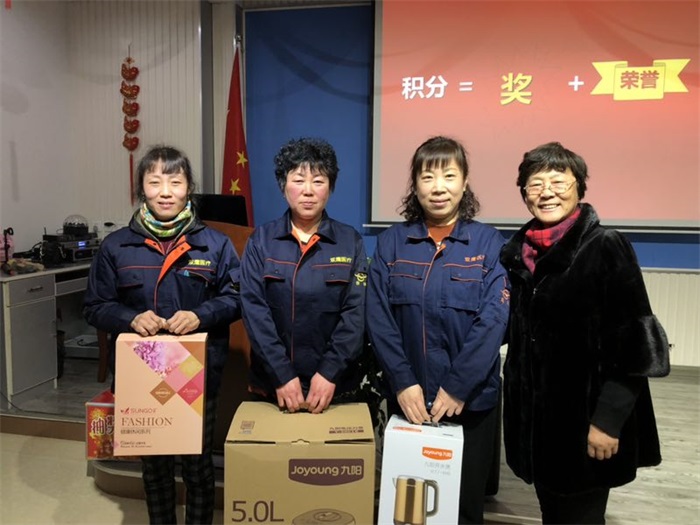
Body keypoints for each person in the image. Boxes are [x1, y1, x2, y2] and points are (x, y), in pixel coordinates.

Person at [499, 141, 670, 524]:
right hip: (538, 430)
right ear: (524, 193)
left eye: (558, 182)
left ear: (579, 187)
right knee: (552, 513)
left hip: (586, 424)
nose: (547, 192)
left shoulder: (605, 246)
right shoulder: (518, 255)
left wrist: (608, 421)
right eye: (535, 184)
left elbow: (635, 347)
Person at [83, 145, 241, 524]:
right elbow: (95, 305)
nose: (165, 192)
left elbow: (238, 298)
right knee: (154, 468)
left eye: (175, 182)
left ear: (189, 188)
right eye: (155, 182)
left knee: (198, 466)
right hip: (143, 376)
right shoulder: (117, 246)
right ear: (142, 188)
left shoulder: (215, 244)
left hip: (196, 375)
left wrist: (200, 315)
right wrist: (131, 319)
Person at [366, 136, 510, 524]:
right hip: (408, 400)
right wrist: (402, 382)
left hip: (470, 403)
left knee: (463, 508)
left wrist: (458, 386)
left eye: (449, 175)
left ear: (465, 182)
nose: (439, 187)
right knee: (409, 508)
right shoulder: (392, 243)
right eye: (428, 177)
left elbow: (494, 321)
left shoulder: (489, 243)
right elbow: (378, 317)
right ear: (415, 185)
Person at [239, 137, 368, 413]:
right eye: (298, 180)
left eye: (318, 181)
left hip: (335, 388)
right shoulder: (261, 241)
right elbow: (254, 312)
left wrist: (329, 372)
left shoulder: (350, 241)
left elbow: (355, 315)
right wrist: (282, 374)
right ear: (283, 186)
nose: (308, 191)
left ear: (330, 188)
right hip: (273, 387)